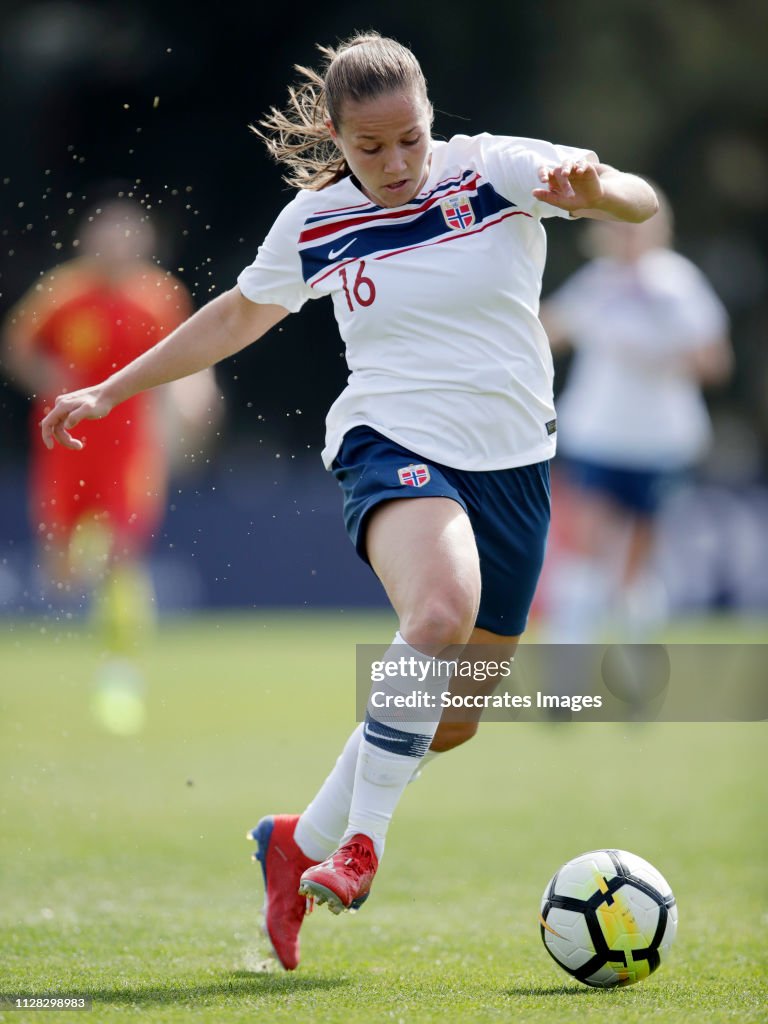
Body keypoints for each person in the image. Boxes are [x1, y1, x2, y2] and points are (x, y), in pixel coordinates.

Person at [40, 32, 658, 968]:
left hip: (516, 468)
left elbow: (639, 196)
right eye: (371, 149)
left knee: (448, 718)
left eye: (409, 139)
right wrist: (112, 388)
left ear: (429, 119)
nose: (397, 163)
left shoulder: (492, 170)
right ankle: (361, 844)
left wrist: (595, 188)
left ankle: (297, 841)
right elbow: (238, 313)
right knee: (438, 612)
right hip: (391, 440)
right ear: (336, 136)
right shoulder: (316, 221)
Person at [4, 198, 218, 716]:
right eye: (106, 236)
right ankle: (63, 648)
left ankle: (121, 669)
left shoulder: (159, 296)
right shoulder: (62, 293)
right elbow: (19, 347)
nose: (116, 247)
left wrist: (193, 395)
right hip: (66, 447)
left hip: (128, 450)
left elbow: (187, 355)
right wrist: (49, 381)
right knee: (63, 566)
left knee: (124, 554)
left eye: (127, 237)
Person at [539, 193, 732, 643]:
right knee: (584, 547)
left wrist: (659, 353)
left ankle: (635, 670)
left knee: (636, 562)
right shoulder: (598, 283)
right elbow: (549, 331)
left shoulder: (678, 285)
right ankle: (565, 674)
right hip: (599, 434)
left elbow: (714, 362)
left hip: (660, 440)